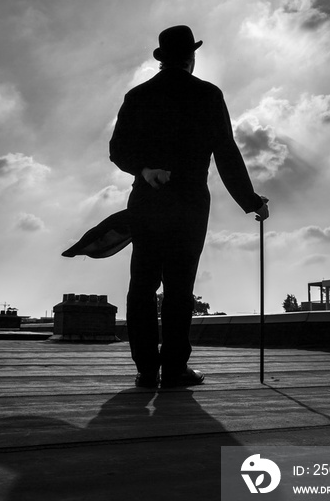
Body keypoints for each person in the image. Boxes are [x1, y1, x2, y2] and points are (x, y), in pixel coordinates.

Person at [109, 25, 269, 388]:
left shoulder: (137, 96)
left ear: (163, 58)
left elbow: (117, 150)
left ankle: (146, 370)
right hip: (190, 204)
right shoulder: (207, 95)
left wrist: (145, 169)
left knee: (142, 285)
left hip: (146, 200)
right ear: (191, 57)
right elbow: (226, 153)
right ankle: (175, 369)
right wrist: (251, 201)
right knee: (179, 288)